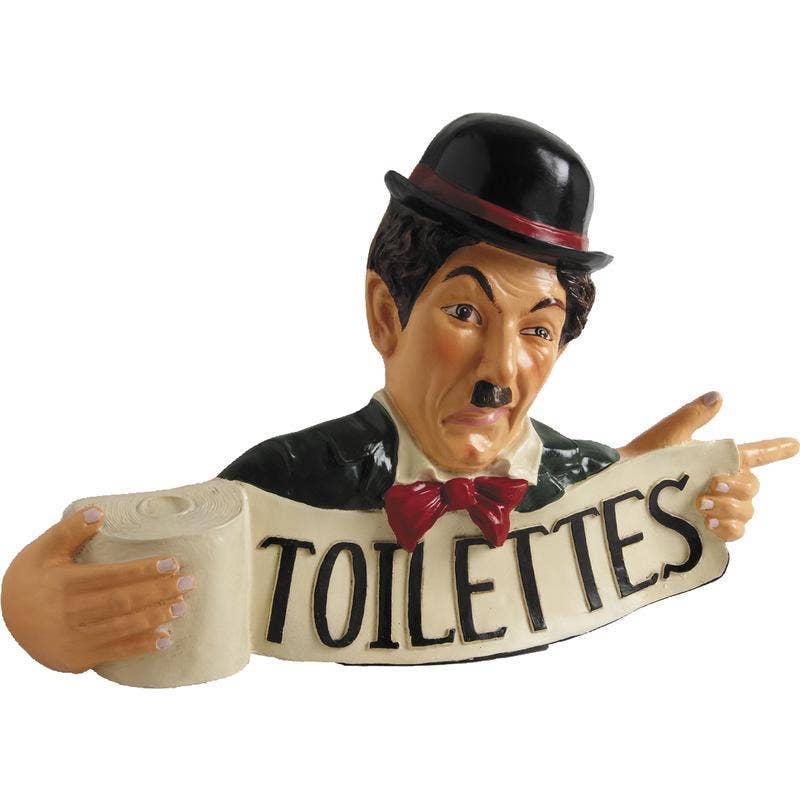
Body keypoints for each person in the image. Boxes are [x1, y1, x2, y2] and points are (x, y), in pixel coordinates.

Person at [2, 113, 796, 674]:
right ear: (388, 314)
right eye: (465, 314)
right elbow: (164, 562)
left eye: (537, 329)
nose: (499, 372)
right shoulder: (289, 479)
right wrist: (31, 608)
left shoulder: (576, 480)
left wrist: (664, 495)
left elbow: (611, 517)